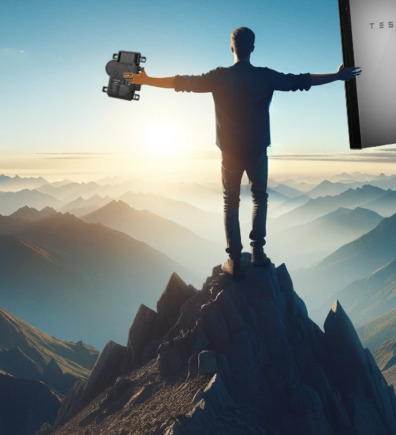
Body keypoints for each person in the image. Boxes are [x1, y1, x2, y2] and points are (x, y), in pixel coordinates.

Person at [124, 27, 362, 279]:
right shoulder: (265, 76)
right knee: (260, 198)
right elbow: (300, 80)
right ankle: (258, 252)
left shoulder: (218, 76)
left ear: (232, 48)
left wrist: (147, 80)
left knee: (231, 202)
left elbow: (182, 83)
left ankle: (233, 260)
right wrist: (337, 76)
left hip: (230, 153)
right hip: (257, 149)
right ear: (253, 49)